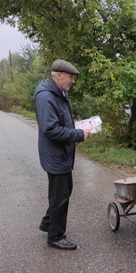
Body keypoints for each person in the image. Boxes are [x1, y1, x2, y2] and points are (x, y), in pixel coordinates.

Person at [34, 59, 92, 250]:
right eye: (70, 77)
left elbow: (62, 121)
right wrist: (78, 135)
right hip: (55, 155)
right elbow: (50, 129)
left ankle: (48, 222)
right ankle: (55, 236)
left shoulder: (59, 92)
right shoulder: (46, 97)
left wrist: (79, 127)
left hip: (62, 153)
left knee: (64, 190)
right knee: (60, 196)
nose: (72, 81)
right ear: (58, 75)